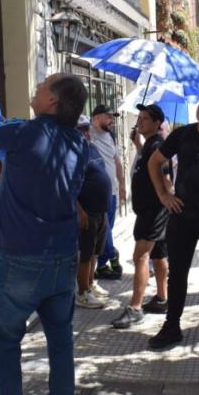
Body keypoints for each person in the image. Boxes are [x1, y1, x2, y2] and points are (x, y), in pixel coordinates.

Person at [0, 74, 88, 395]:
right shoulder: (79, 144)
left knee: (4, 345)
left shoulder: (23, 132)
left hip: (21, 262)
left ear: (52, 102)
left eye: (44, 84)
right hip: (62, 259)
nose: (38, 84)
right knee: (61, 346)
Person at [147, 90, 199, 349]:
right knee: (178, 273)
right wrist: (164, 194)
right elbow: (155, 161)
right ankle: (172, 325)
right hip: (181, 214)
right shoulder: (181, 134)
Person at [111, 104, 171, 328]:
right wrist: (137, 144)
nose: (140, 122)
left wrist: (167, 198)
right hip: (150, 210)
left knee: (140, 257)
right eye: (140, 118)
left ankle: (135, 308)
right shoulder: (149, 146)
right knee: (157, 254)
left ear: (157, 123)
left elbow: (166, 178)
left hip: (153, 211)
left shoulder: (158, 146)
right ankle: (162, 298)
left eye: (145, 119)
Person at [75, 115, 112, 309]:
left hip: (101, 210)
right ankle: (82, 293)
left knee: (95, 253)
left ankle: (89, 286)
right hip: (87, 211)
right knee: (86, 254)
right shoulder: (74, 153)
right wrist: (79, 211)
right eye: (81, 129)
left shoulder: (92, 148)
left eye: (87, 128)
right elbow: (69, 186)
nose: (86, 132)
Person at [91, 104, 126, 280]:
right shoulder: (88, 134)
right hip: (97, 191)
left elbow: (117, 161)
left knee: (109, 228)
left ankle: (103, 265)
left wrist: (122, 185)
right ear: (97, 117)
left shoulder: (110, 136)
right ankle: (111, 254)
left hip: (112, 191)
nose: (112, 120)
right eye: (108, 117)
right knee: (103, 229)